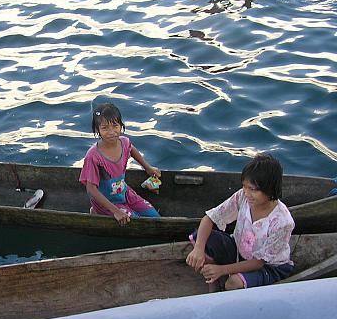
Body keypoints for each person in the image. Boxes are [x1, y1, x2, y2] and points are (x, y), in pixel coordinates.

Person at [186, 154, 295, 292]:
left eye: (253, 189)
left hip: (269, 266)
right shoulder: (242, 196)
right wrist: (198, 249)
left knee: (233, 283)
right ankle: (213, 283)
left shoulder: (282, 222)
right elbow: (210, 218)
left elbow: (259, 262)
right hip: (239, 251)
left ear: (270, 189)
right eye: (245, 186)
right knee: (199, 237)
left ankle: (223, 281)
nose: (247, 193)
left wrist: (222, 270)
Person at [79, 103, 161, 226]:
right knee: (133, 221)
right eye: (105, 128)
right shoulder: (93, 156)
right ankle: (97, 211)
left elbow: (131, 149)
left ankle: (119, 207)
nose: (111, 132)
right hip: (107, 202)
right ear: (97, 130)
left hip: (124, 191)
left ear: (121, 126)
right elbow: (91, 189)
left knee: (154, 216)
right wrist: (115, 211)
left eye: (115, 125)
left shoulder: (124, 142)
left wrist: (148, 167)